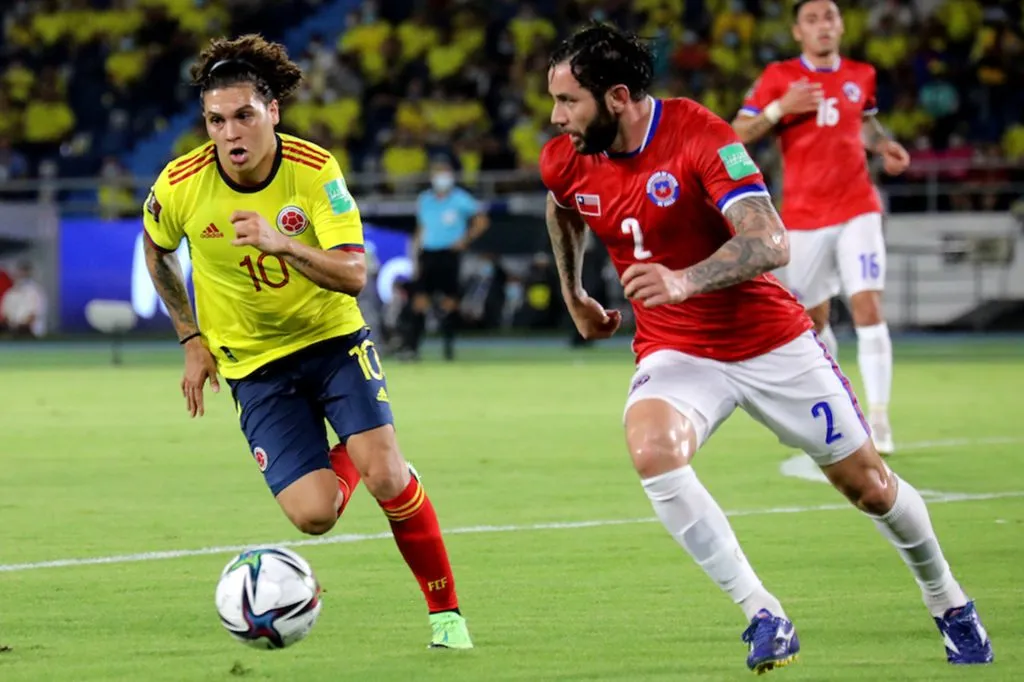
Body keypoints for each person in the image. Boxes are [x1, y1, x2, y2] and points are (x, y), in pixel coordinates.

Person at [539, 24, 991, 673]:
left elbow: (771, 240)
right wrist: (575, 292)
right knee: (652, 450)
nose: (557, 118)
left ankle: (948, 599)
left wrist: (683, 279)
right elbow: (562, 208)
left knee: (870, 487)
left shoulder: (699, 135)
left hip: (770, 342)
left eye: (568, 102)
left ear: (616, 96)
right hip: (678, 350)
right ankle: (764, 613)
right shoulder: (567, 155)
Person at [141, 35, 471, 649]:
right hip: (254, 366)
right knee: (314, 516)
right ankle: (358, 449)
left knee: (390, 480)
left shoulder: (315, 170)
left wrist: (282, 244)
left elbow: (353, 274)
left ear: (273, 112)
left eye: (244, 115)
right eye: (216, 120)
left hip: (331, 340)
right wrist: (191, 336)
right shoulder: (180, 185)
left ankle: (447, 616)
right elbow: (156, 248)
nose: (230, 133)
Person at [731, 0, 911, 455]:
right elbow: (737, 132)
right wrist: (778, 109)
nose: (823, 26)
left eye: (829, 17)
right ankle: (843, 404)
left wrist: (884, 145)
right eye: (812, 20)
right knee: (812, 321)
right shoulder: (779, 77)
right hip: (805, 217)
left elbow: (865, 124)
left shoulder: (861, 75)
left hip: (858, 208)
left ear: (841, 25)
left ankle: (880, 420)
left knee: (868, 307)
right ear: (798, 32)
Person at [403, 158, 489, 361]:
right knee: (419, 301)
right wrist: (414, 255)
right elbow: (421, 228)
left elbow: (482, 220)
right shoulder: (425, 199)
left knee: (450, 301)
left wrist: (465, 239)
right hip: (428, 254)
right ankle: (412, 348)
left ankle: (448, 350)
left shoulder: (460, 199)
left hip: (449, 254)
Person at [0, 259, 46, 338]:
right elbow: (5, 314)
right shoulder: (10, 293)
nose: (21, 275)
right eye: (19, 272)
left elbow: (34, 314)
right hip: (12, 330)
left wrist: (20, 326)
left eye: (24, 272)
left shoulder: (35, 292)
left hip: (30, 331)